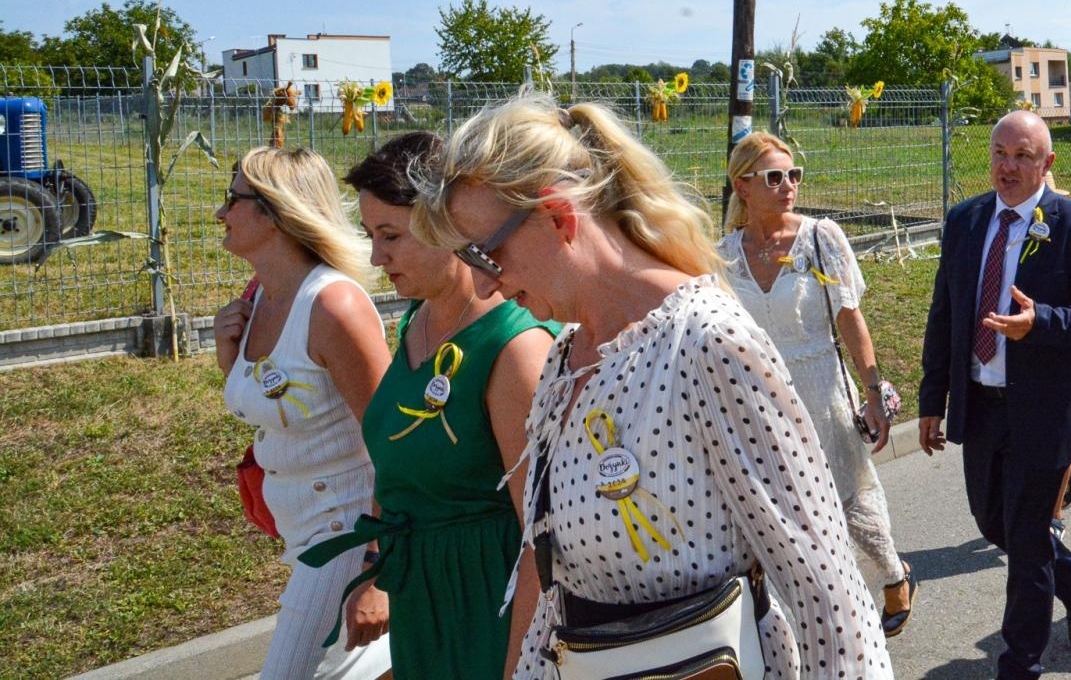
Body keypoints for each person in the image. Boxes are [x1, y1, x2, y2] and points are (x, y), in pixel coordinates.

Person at [411, 94, 893, 679]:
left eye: (486, 254)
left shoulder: (708, 341)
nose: (485, 285)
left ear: (559, 216)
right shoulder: (567, 358)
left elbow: (828, 596)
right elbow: (561, 590)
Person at [305, 133, 561, 678]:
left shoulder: (514, 350)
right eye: (372, 235)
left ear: (447, 227)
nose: (376, 256)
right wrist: (376, 571)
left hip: (488, 606)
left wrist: (521, 667)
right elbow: (397, 468)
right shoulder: (415, 324)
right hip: (424, 599)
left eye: (390, 235)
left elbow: (544, 540)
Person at [919, 109, 1071, 677]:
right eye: (999, 155)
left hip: (1047, 411)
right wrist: (931, 401)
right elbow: (946, 317)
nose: (1007, 168)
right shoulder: (963, 221)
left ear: (1047, 163)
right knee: (996, 526)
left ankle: (1020, 664)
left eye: (1023, 157)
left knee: (1027, 543)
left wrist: (1045, 322)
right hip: (981, 405)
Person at [718, 132, 916, 635]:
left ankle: (893, 574)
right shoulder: (722, 255)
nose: (788, 186)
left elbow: (850, 319)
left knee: (849, 500)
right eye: (774, 177)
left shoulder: (820, 239)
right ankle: (829, 612)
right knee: (789, 512)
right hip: (762, 403)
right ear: (742, 186)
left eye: (793, 175)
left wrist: (873, 392)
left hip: (823, 389)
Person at [212, 147, 393, 680]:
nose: (220, 214)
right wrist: (230, 362)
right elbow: (283, 406)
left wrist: (377, 572)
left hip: (345, 530)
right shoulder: (259, 297)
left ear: (276, 212)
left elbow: (392, 441)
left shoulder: (335, 306)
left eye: (233, 200)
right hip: (301, 530)